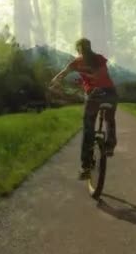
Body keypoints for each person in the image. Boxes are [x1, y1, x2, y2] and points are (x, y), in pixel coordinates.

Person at [50, 38, 118, 180]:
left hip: (95, 95)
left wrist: (54, 82)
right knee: (109, 119)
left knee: (88, 128)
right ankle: (110, 146)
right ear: (90, 48)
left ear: (78, 50)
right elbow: (102, 75)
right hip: (110, 93)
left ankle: (86, 166)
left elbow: (63, 73)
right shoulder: (99, 58)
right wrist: (80, 81)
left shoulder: (77, 62)